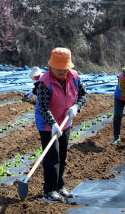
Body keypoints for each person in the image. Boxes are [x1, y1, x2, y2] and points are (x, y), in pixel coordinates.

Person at [35, 47, 88, 202]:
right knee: (52, 157)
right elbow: (43, 107)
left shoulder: (75, 77)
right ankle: (49, 190)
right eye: (59, 69)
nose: (62, 72)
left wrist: (76, 106)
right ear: (52, 66)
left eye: (65, 69)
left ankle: (60, 187)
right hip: (47, 124)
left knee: (62, 155)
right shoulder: (45, 82)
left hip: (65, 121)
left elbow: (84, 94)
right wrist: (52, 124)